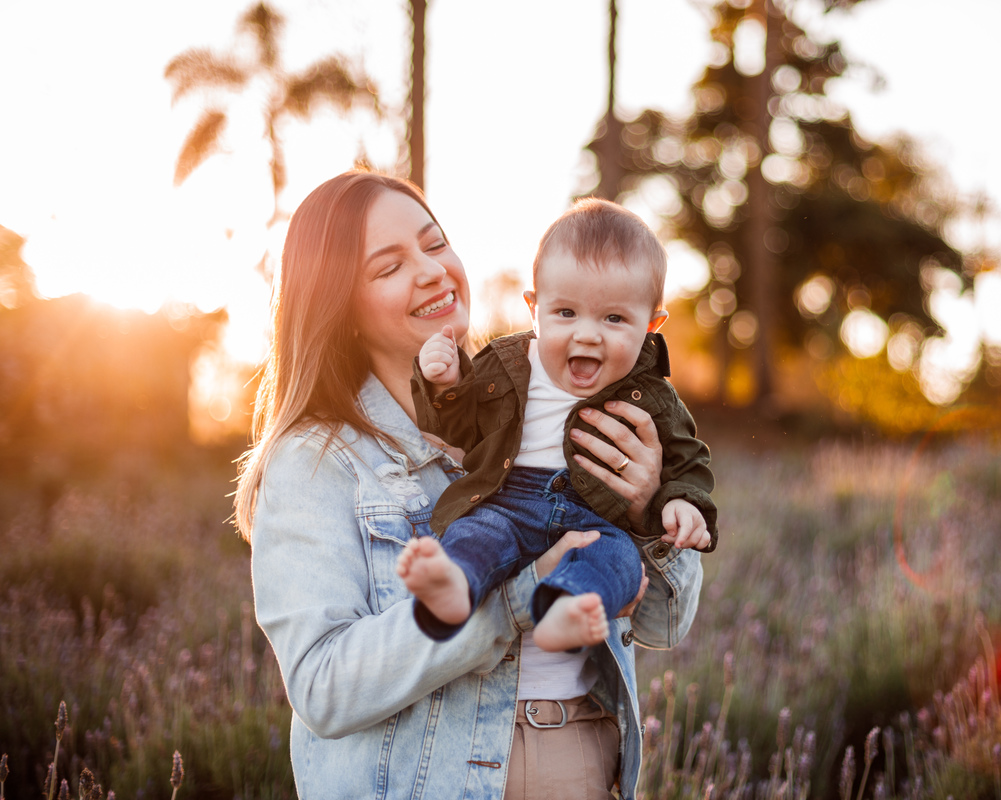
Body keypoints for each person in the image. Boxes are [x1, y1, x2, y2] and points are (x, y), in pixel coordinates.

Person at [235, 170, 704, 800]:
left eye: (434, 244)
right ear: (338, 308)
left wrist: (647, 509)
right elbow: (323, 687)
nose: (432, 270)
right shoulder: (318, 460)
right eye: (388, 266)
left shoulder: (559, 397)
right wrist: (520, 597)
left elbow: (665, 625)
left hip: (585, 757)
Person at [398, 198, 718, 654]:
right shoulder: (507, 364)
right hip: (507, 501)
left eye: (614, 318)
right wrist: (446, 383)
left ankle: (568, 606)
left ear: (651, 325)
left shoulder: (654, 398)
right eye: (565, 313)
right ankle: (454, 586)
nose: (586, 334)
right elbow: (461, 429)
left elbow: (689, 461)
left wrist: (683, 503)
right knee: (476, 535)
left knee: (621, 560)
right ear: (534, 308)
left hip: (596, 517)